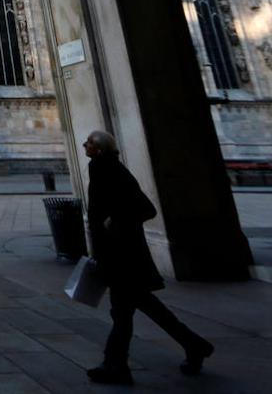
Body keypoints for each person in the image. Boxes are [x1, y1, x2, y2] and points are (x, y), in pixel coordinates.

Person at [83, 130, 213, 385]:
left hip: (122, 257)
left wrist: (114, 223)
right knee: (139, 309)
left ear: (98, 149)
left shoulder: (110, 171)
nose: (84, 145)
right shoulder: (102, 168)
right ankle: (193, 345)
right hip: (118, 255)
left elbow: (145, 209)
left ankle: (116, 365)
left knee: (123, 313)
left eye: (88, 142)